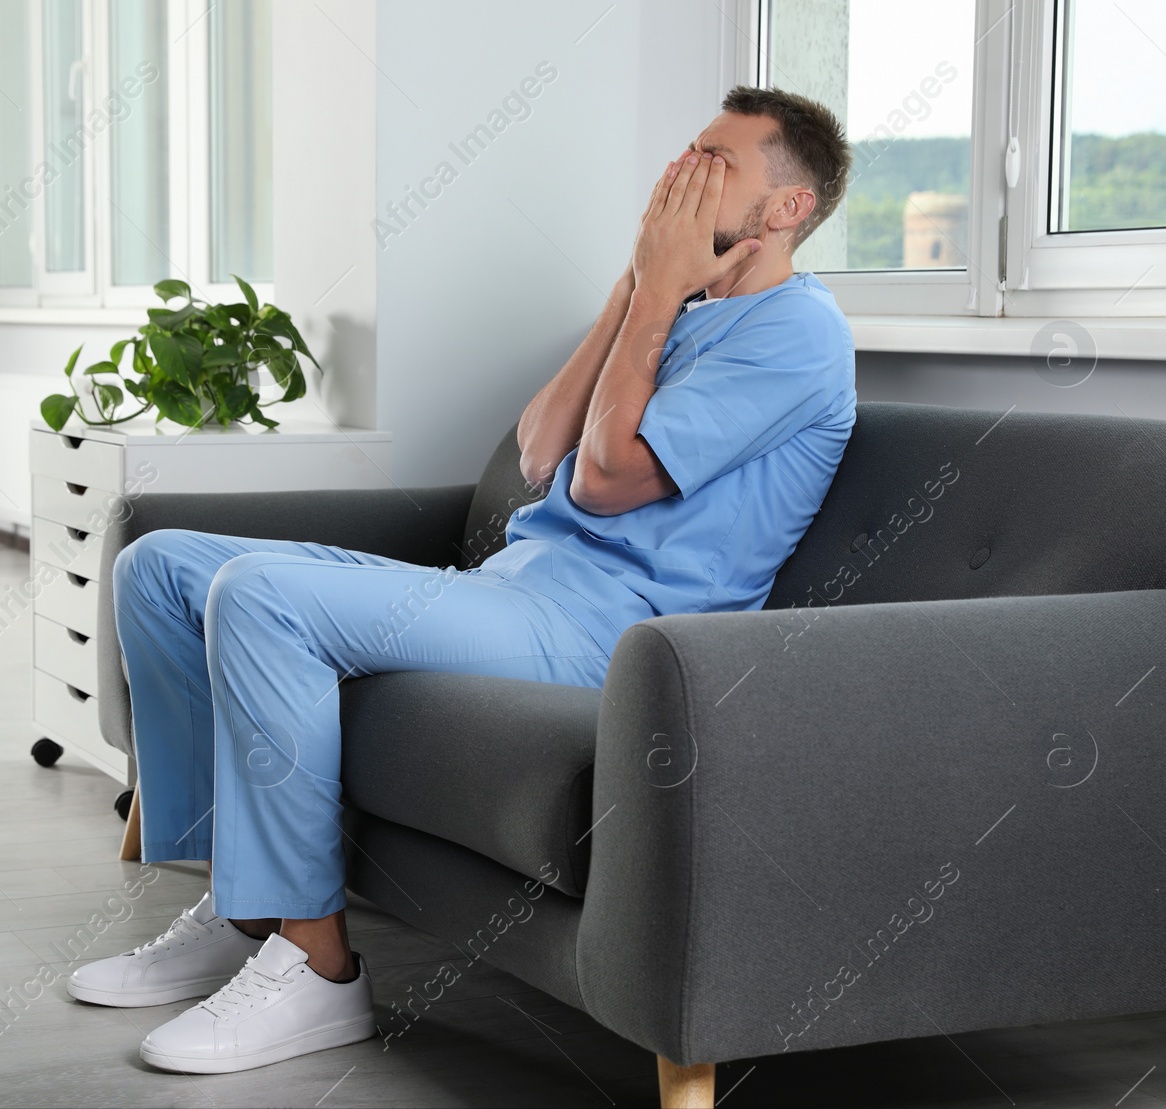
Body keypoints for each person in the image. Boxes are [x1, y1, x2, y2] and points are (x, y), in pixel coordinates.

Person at [67, 85, 857, 1075]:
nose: (680, 179)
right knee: (160, 563)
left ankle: (316, 971)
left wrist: (656, 294)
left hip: (610, 633)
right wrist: (633, 286)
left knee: (260, 594)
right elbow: (537, 454)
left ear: (787, 209)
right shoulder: (674, 309)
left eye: (717, 164)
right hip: (518, 587)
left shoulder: (799, 332)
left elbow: (607, 482)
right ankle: (241, 902)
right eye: (685, 154)